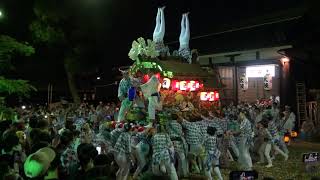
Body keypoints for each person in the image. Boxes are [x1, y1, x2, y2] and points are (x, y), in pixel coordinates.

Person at [167, 113, 188, 177]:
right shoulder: (179, 124)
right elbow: (181, 134)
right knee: (182, 158)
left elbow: (167, 131)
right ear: (177, 118)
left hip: (171, 143)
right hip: (179, 143)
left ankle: (171, 174)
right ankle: (183, 173)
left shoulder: (168, 124)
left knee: (172, 159)